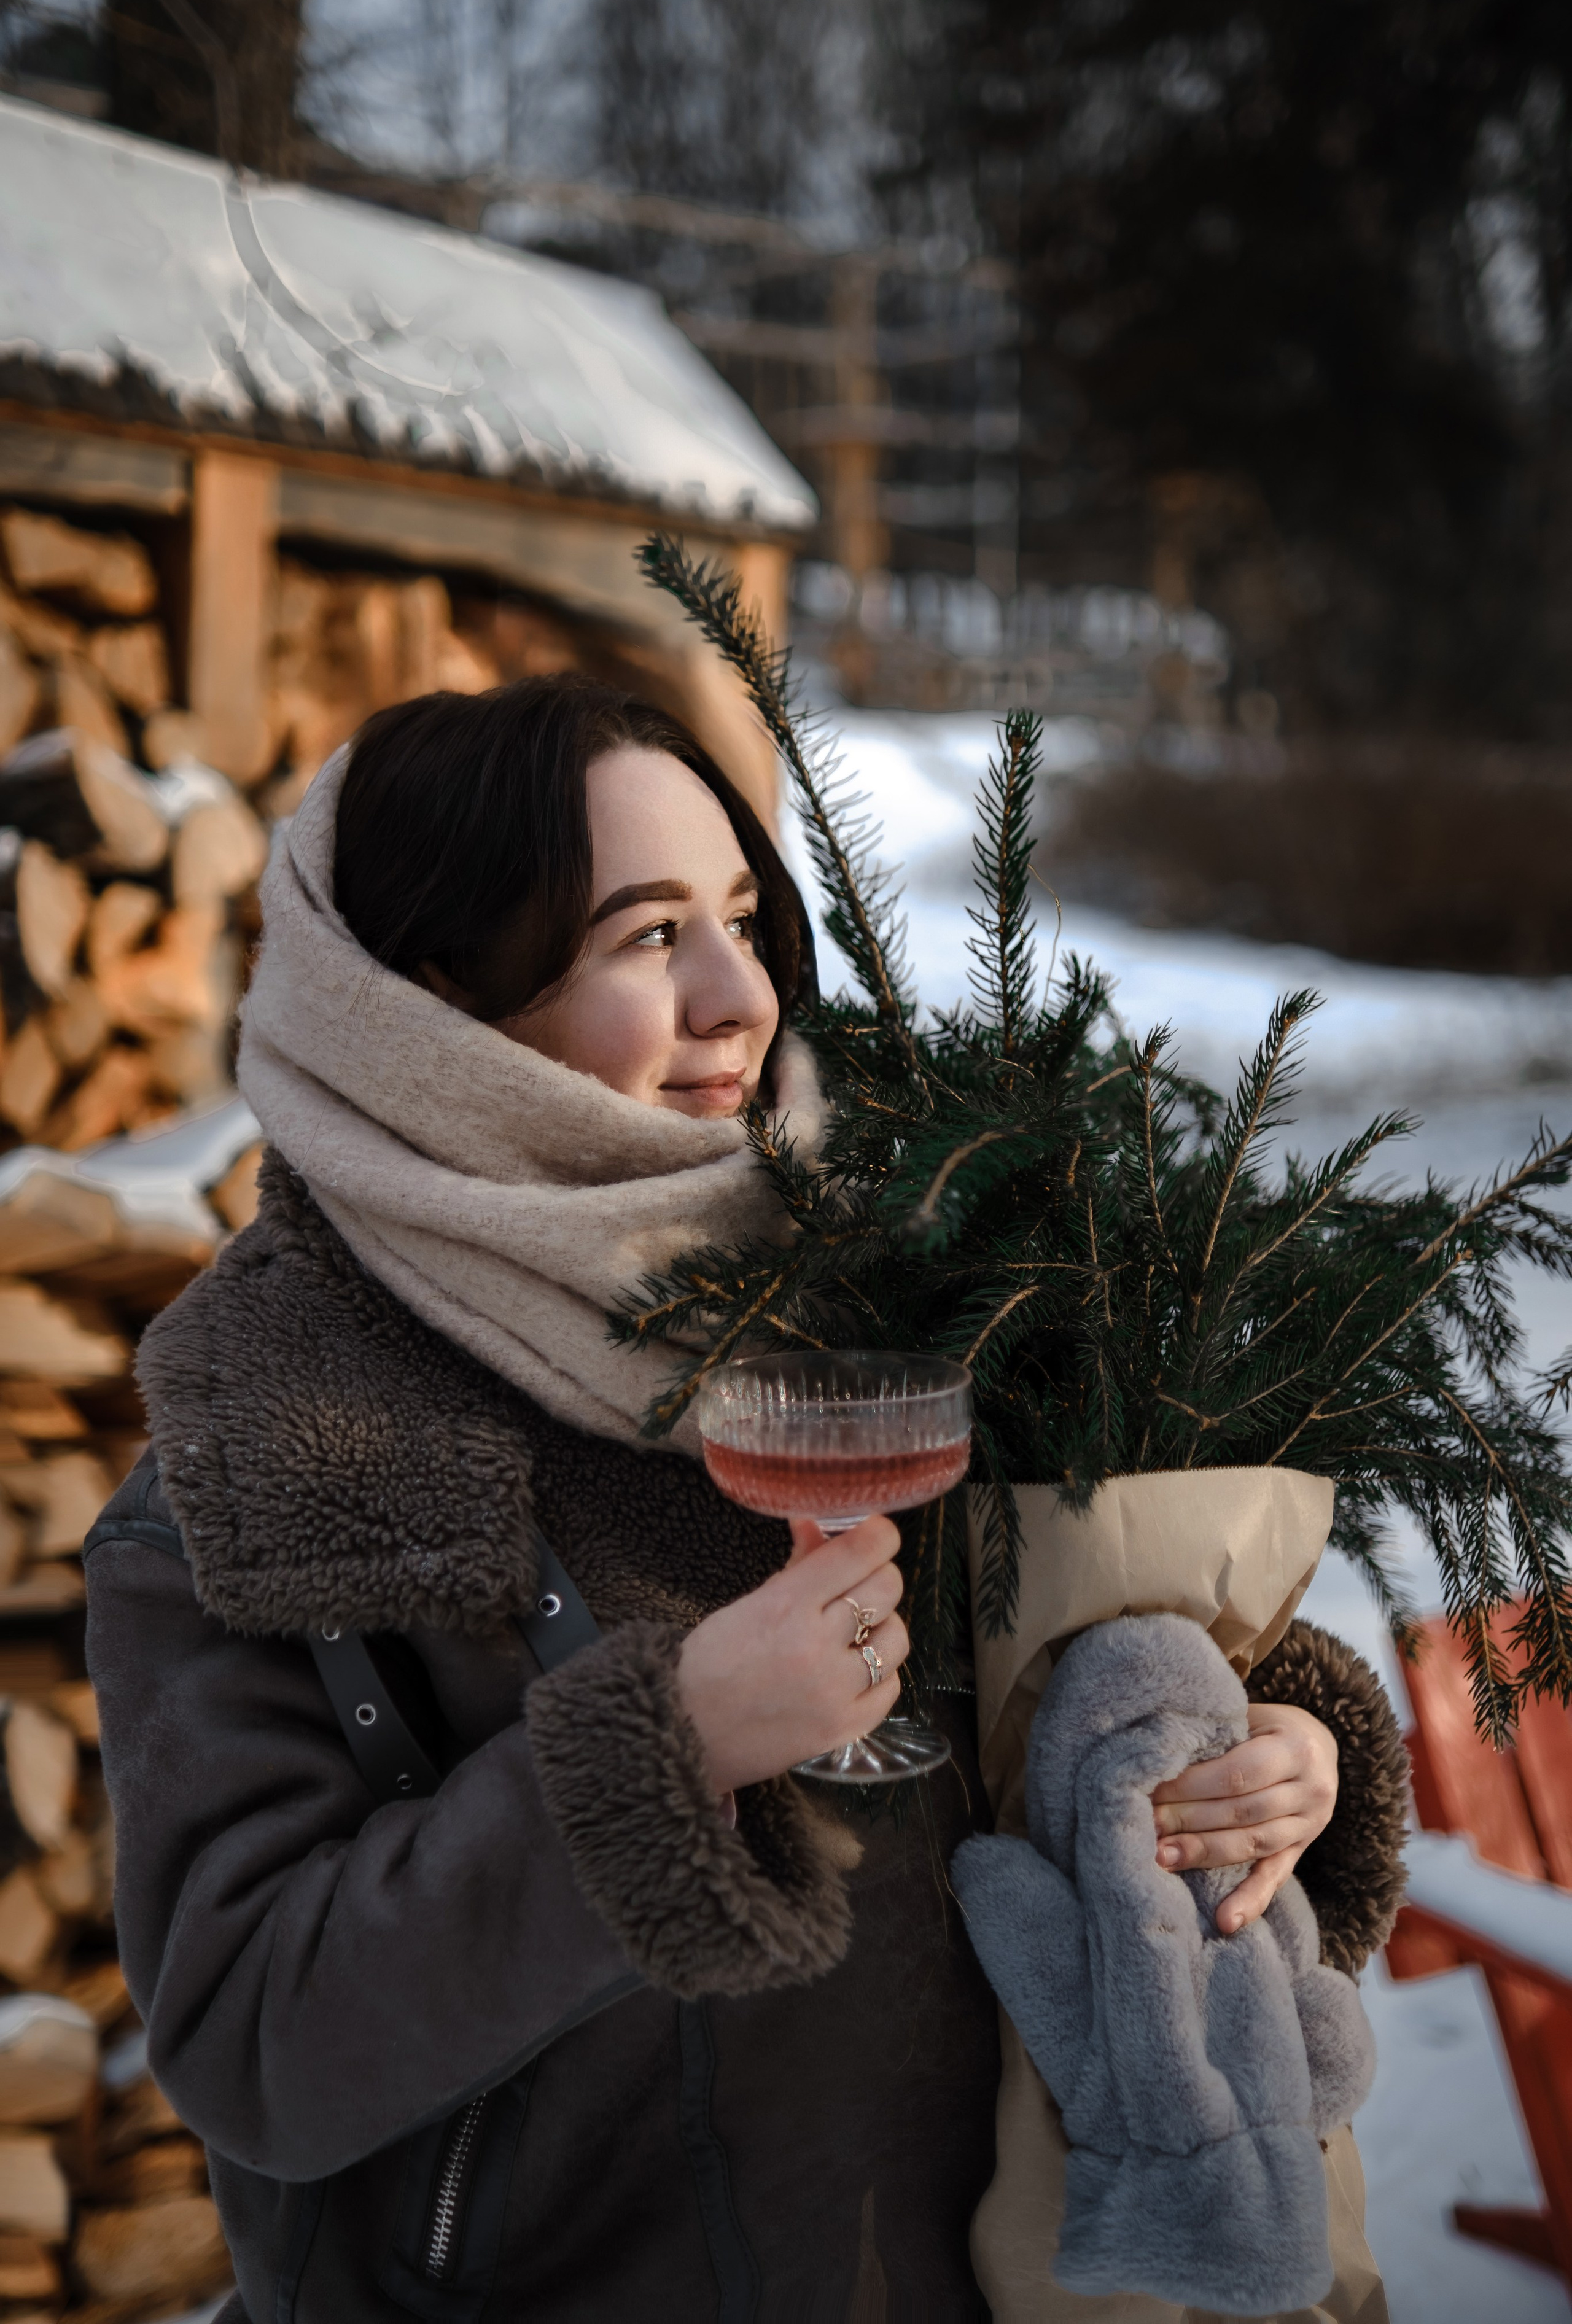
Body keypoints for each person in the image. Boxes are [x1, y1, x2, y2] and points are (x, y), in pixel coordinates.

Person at [84, 677, 1409, 2322]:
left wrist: (1265, 1762)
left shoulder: (916, 1310)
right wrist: (672, 1745)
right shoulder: (277, 1439)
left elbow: (1081, 1676)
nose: (744, 1001)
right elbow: (256, 2041)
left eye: (740, 918)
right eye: (646, 938)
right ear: (428, 1002)